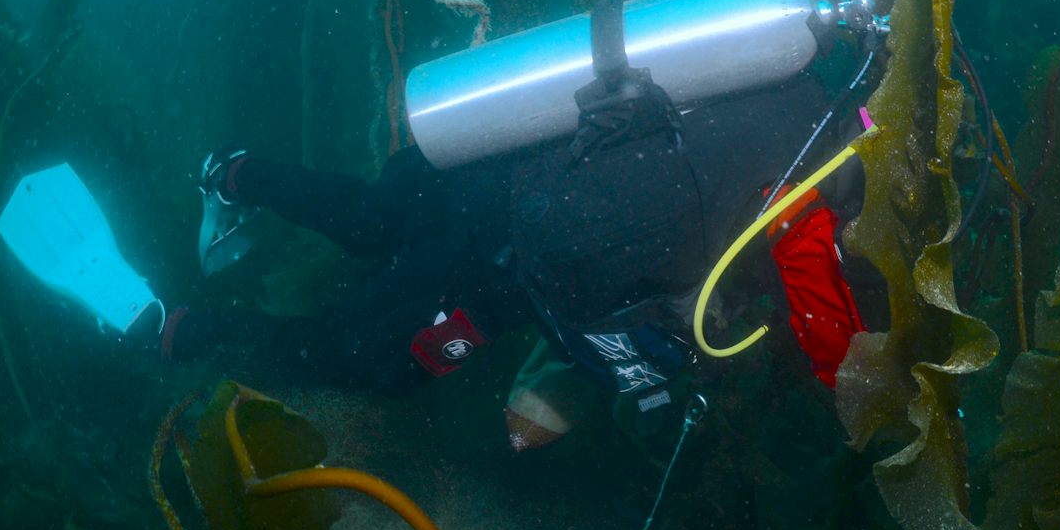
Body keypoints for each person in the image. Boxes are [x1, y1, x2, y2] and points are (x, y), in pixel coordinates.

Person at [160, 61, 871, 448]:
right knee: (366, 364)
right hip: (503, 269)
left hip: (495, 163)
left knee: (369, 218)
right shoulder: (804, 202)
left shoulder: (782, 75)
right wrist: (902, 409)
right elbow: (838, 361)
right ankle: (180, 329)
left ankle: (233, 171)